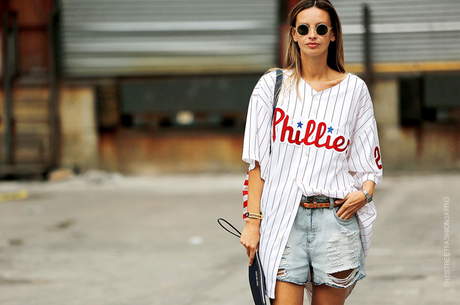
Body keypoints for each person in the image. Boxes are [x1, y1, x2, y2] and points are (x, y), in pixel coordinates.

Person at [240, 0, 383, 304]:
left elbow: (367, 162)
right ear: (293, 34)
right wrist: (252, 222)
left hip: (336, 219)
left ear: (333, 34)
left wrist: (365, 193)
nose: (312, 35)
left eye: (321, 28)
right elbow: (256, 163)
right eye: (304, 29)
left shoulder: (354, 90)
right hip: (283, 219)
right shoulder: (271, 86)